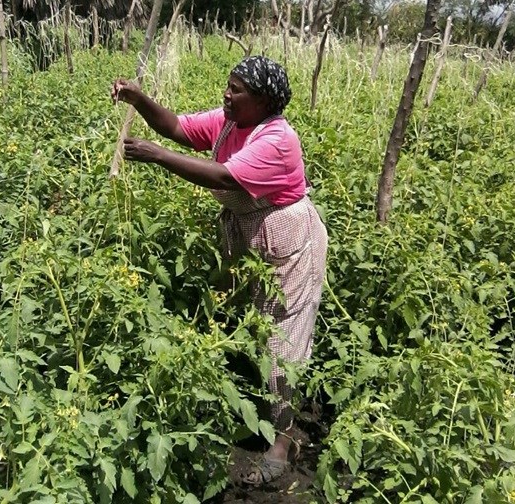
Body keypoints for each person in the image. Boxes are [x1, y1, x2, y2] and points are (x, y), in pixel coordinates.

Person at [111, 56, 328, 485]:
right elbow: (177, 127)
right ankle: (249, 404)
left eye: (236, 90)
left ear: (263, 100)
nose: (226, 95)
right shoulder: (231, 122)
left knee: (284, 343)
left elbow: (224, 177)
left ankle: (282, 444)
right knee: (248, 324)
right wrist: (139, 100)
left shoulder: (278, 140)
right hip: (252, 242)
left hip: (291, 249)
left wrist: (156, 156)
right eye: (227, 86)